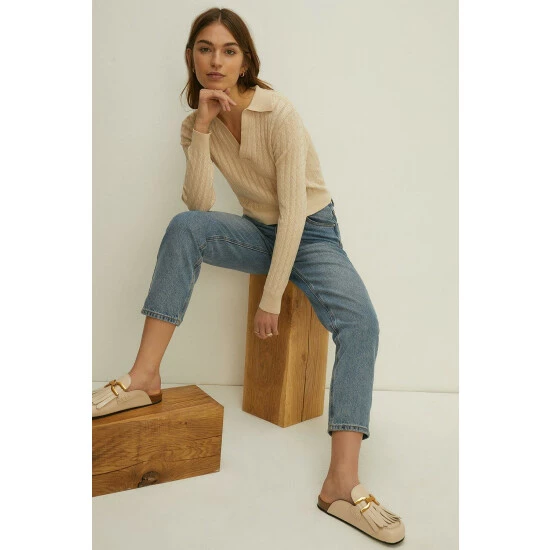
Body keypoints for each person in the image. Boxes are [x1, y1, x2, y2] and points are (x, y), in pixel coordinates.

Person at [92, 7, 404, 544]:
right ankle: (143, 378)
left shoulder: (277, 112)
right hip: (258, 231)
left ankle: (341, 483)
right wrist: (203, 130)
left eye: (229, 50)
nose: (216, 61)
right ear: (191, 57)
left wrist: (271, 298)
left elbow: (294, 212)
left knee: (362, 325)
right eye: (205, 48)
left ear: (245, 60)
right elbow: (199, 203)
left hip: (312, 232)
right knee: (185, 228)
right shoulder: (195, 124)